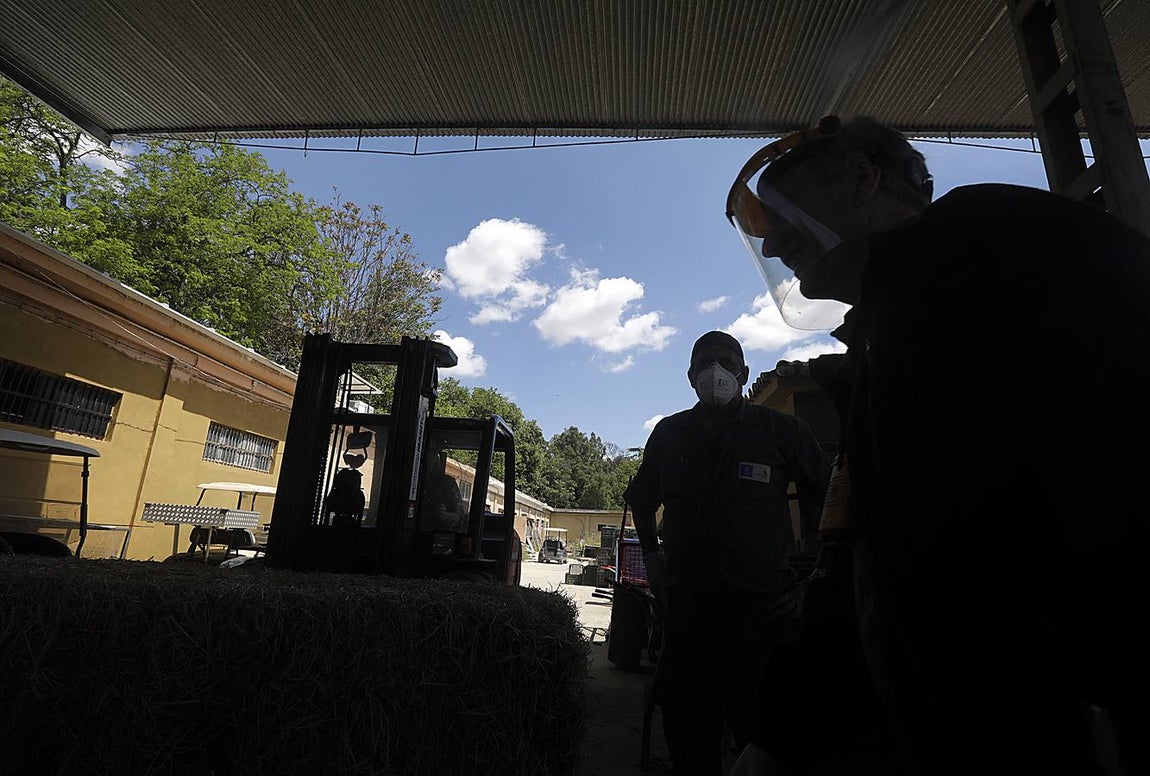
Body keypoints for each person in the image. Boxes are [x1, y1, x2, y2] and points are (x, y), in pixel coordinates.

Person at [726, 116, 1150, 775]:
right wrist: (782, 729)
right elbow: (867, 551)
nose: (774, 244)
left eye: (782, 213)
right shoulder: (891, 322)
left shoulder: (992, 243)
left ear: (863, 179)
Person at [623, 330, 830, 775]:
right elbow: (640, 498)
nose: (715, 372)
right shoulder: (670, 433)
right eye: (705, 363)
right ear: (690, 376)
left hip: (761, 620)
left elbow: (833, 501)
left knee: (765, 746)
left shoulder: (781, 430)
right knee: (689, 743)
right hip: (687, 619)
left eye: (726, 361)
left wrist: (812, 583)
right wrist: (655, 563)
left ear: (744, 373)